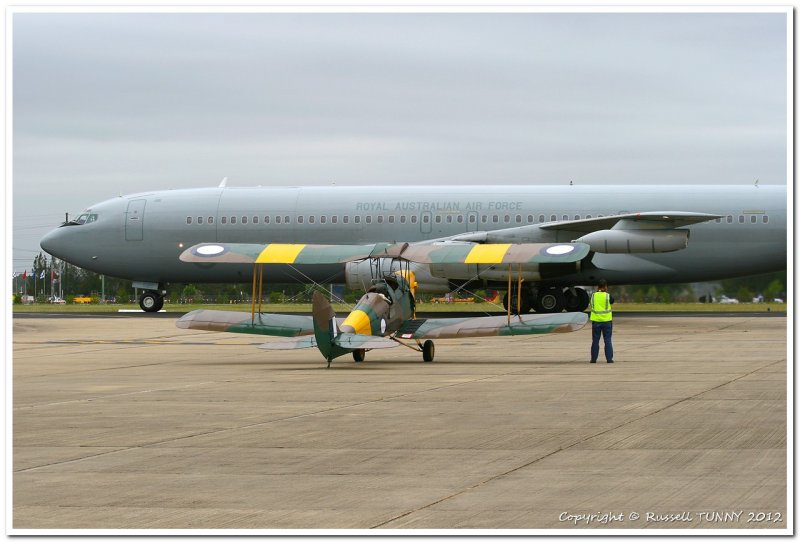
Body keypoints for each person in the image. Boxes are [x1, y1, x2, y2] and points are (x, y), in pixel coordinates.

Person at [589, 279, 614, 363]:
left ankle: (593, 359)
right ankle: (609, 359)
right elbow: (612, 301)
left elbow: (592, 304)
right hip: (607, 321)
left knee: (595, 340)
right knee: (607, 340)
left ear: (598, 286)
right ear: (605, 286)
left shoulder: (593, 296)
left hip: (596, 321)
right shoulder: (608, 296)